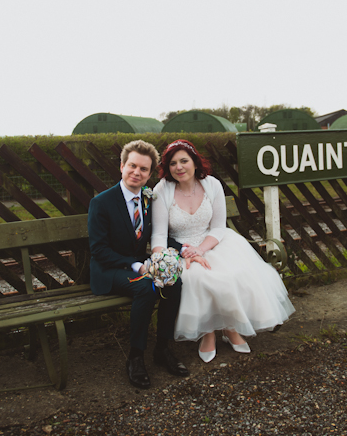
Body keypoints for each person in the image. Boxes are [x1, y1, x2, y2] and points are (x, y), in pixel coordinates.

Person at [150, 139, 295, 363]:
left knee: (232, 275)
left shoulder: (212, 184)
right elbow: (159, 234)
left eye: (184, 161)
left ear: (195, 162)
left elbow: (218, 227)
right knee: (199, 279)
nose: (178, 167)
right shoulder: (162, 189)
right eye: (172, 163)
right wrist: (164, 259)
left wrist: (201, 248)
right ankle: (208, 333)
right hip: (182, 249)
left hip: (213, 242)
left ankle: (229, 328)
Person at [87, 140, 189, 389]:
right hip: (109, 271)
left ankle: (163, 349)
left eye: (144, 169)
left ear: (150, 174)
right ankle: (135, 357)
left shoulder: (147, 198)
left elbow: (157, 233)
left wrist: (182, 249)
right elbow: (99, 250)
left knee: (173, 282)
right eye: (132, 166)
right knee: (146, 287)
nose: (137, 172)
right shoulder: (101, 203)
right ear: (122, 166)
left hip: (136, 267)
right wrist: (138, 266)